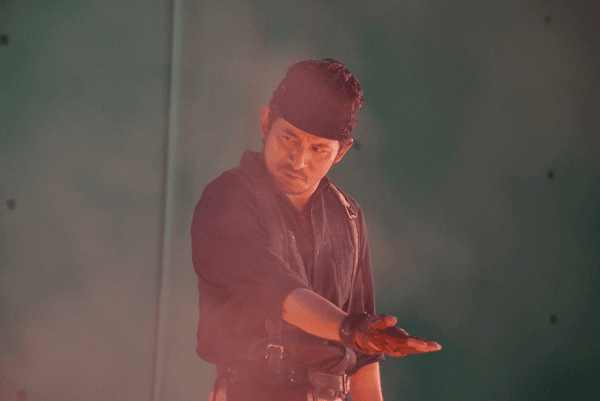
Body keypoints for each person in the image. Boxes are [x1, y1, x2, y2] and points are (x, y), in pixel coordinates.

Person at [191, 58, 441, 401]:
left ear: (341, 151)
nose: (298, 160)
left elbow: (364, 356)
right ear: (266, 122)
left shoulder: (348, 215)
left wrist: (362, 335)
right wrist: (351, 330)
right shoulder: (227, 200)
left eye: (318, 148)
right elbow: (280, 293)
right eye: (289, 138)